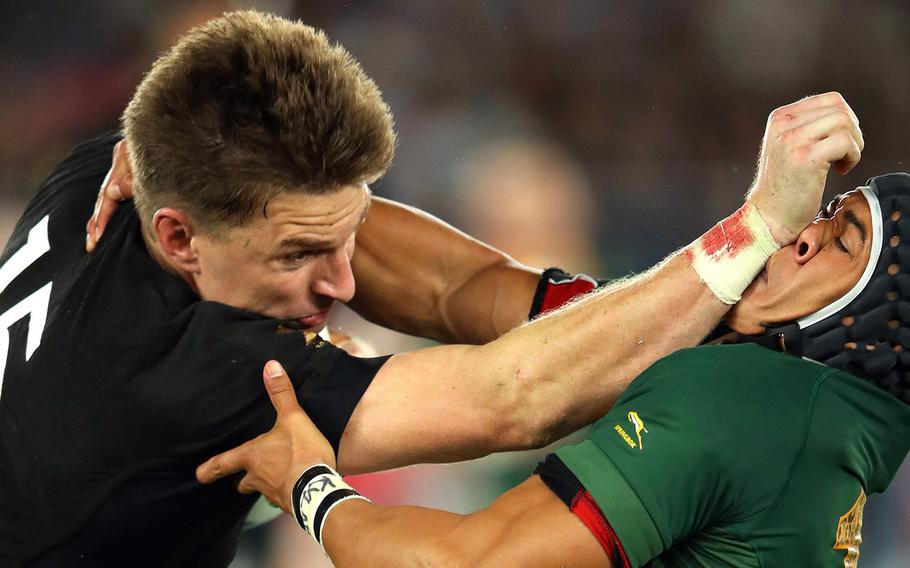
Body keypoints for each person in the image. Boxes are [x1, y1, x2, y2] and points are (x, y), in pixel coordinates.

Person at [0, 10, 860, 568]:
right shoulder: (201, 374)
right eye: (301, 254)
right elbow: (512, 399)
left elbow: (459, 286)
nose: (340, 282)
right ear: (178, 235)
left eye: (348, 233)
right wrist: (753, 230)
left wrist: (663, 312)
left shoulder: (100, 178)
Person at [197, 173, 910, 567]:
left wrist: (309, 486)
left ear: (880, 320)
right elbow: (478, 289)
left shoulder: (739, 399)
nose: (803, 237)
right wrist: (233, 174)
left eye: (842, 240)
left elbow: (459, 567)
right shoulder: (822, 421)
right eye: (822, 215)